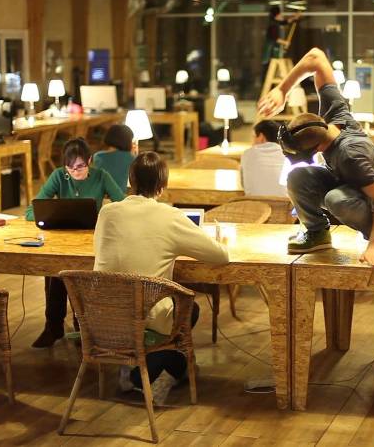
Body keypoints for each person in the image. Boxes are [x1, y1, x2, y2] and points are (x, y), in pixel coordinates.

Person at [93, 151, 229, 395]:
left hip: (104, 314)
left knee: (171, 313)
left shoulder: (107, 213)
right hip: (146, 314)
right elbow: (220, 256)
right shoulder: (171, 216)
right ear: (162, 185)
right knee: (189, 310)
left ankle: (177, 369)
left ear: (131, 180)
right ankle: (138, 375)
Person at [258, 47, 374, 267]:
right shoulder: (333, 111)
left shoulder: (350, 154)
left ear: (317, 147)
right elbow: (315, 56)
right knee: (297, 177)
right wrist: (282, 90)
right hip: (341, 179)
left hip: (365, 199)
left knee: (335, 200)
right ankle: (318, 232)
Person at [26, 138, 126, 348]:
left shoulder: (101, 176)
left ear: (89, 161)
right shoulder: (59, 176)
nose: (75, 172)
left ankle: (81, 326)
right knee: (56, 272)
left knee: (74, 274)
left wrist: (104, 217)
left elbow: (123, 205)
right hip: (62, 239)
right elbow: (31, 210)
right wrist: (48, 215)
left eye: (80, 166)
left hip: (91, 240)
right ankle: (54, 326)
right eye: (70, 168)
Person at [240, 120, 288, 197]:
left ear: (261, 137)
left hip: (253, 202)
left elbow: (243, 184)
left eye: (254, 137)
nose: (252, 141)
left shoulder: (247, 154)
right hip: (283, 203)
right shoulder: (287, 155)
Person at [92, 124, 136, 191]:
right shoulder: (130, 158)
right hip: (119, 195)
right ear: (126, 141)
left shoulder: (98, 156)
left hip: (100, 194)